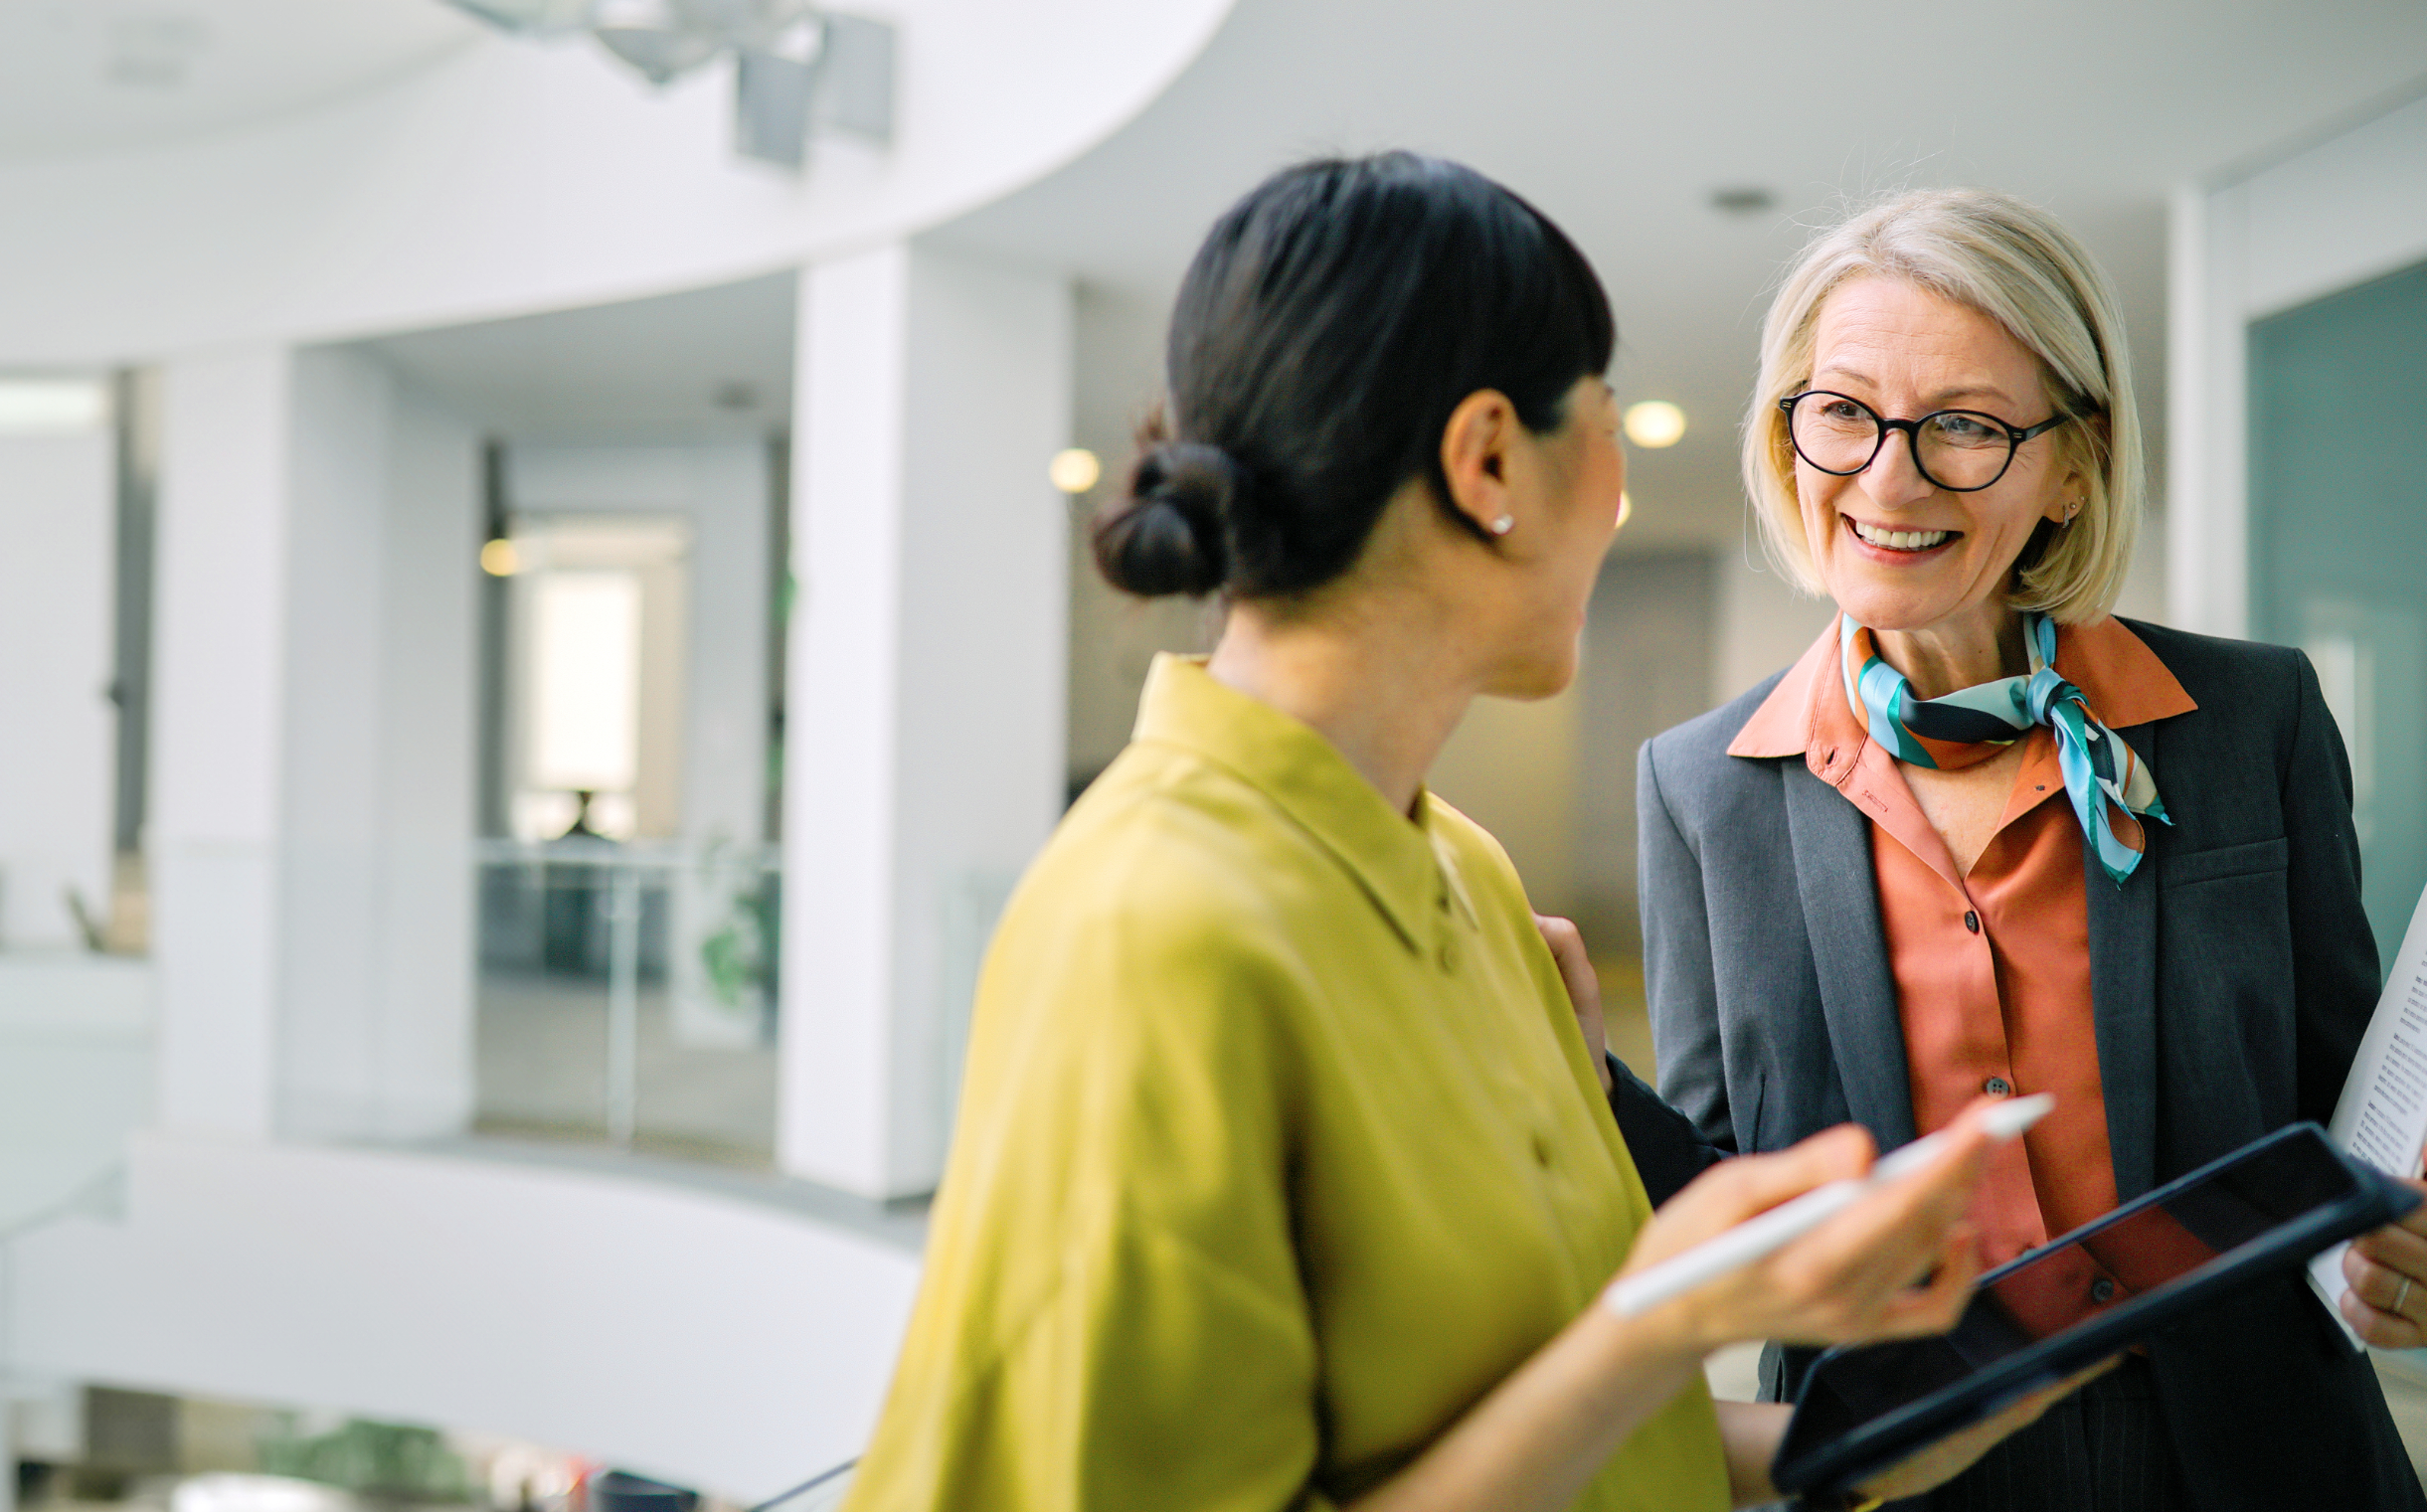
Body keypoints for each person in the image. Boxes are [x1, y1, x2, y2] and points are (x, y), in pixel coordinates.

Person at [845, 153, 2064, 1512]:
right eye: (1604, 420)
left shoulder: (1471, 878)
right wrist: (1659, 1320)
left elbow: (1558, 1433)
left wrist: (1863, 1449)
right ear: (1489, 458)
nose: (1614, 489)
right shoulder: (1144, 932)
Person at [1632, 188, 2427, 1512]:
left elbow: (2354, 1114)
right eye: (1844, 411)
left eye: (1967, 425)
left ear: (2077, 461)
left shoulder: (2247, 723)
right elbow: (1723, 1188)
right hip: (1906, 1455)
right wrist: (1565, 1087)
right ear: (1787, 428)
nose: (1889, 476)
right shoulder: (1704, 785)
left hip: (2255, 1448)